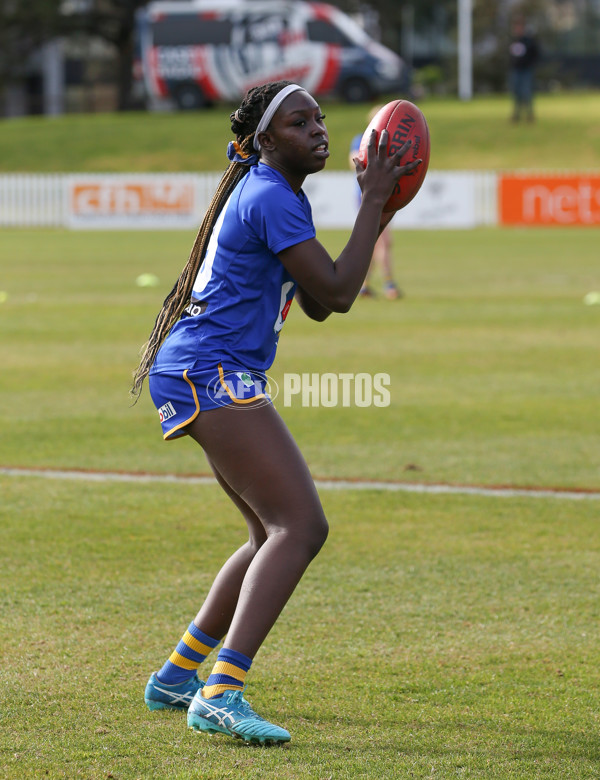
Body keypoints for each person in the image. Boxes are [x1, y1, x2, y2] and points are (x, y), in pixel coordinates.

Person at [131, 80, 420, 745]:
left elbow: (320, 300)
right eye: (299, 122)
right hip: (211, 371)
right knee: (300, 526)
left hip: (202, 369)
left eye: (320, 118)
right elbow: (344, 295)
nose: (318, 128)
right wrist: (375, 200)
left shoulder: (276, 193)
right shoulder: (268, 195)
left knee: (271, 533)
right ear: (264, 141)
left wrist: (376, 206)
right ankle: (221, 690)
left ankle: (178, 675)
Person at [349, 107, 402, 300]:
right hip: (368, 196)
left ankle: (363, 286)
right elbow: (354, 162)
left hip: (381, 196)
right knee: (384, 241)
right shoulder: (362, 139)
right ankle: (389, 285)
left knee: (373, 243)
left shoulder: (390, 143)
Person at [508, 16, 539, 123]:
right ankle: (516, 115)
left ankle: (530, 115)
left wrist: (530, 64)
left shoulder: (529, 41)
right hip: (516, 70)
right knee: (516, 92)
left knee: (526, 92)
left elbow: (536, 54)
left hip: (526, 70)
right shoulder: (513, 40)